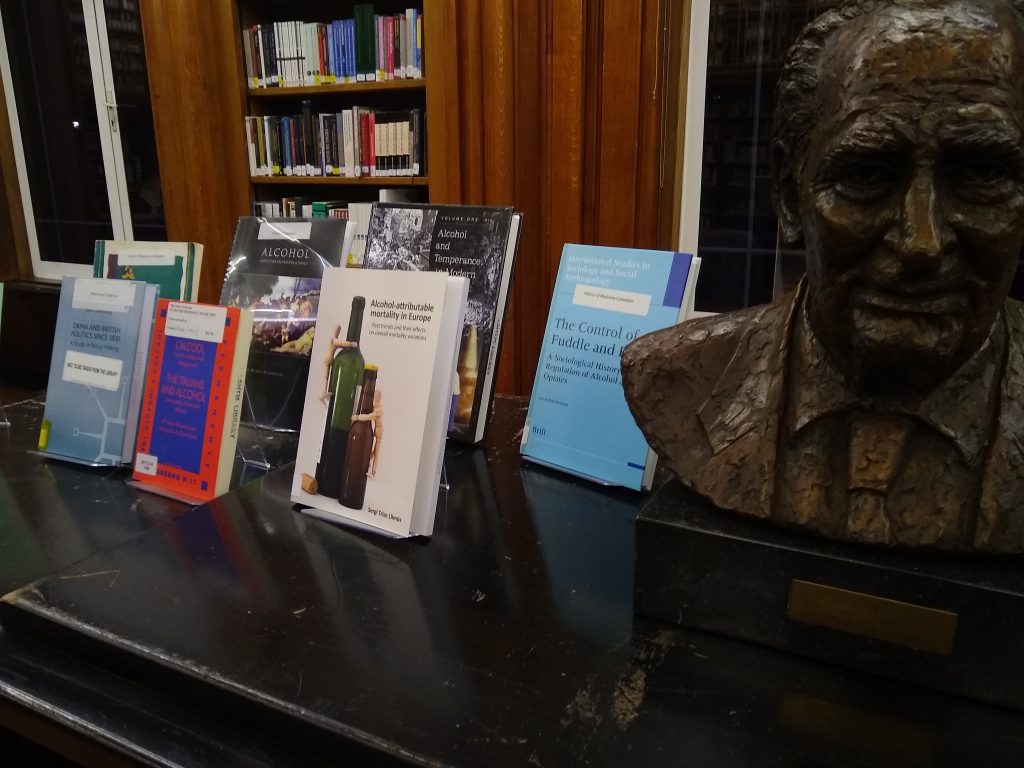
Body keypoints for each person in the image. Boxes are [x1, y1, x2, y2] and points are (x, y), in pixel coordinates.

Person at [622, 0, 1024, 552]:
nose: (922, 242)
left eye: (980, 173)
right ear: (789, 195)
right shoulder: (674, 376)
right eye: (866, 174)